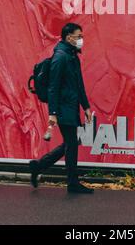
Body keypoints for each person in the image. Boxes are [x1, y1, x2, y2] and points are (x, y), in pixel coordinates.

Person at [29, 22, 94, 194]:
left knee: (70, 143)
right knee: (71, 144)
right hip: (63, 107)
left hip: (71, 106)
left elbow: (79, 84)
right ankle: (72, 183)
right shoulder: (60, 57)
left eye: (82, 37)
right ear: (68, 37)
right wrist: (53, 113)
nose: (81, 40)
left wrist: (86, 106)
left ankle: (38, 166)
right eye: (79, 37)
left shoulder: (73, 56)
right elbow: (53, 87)